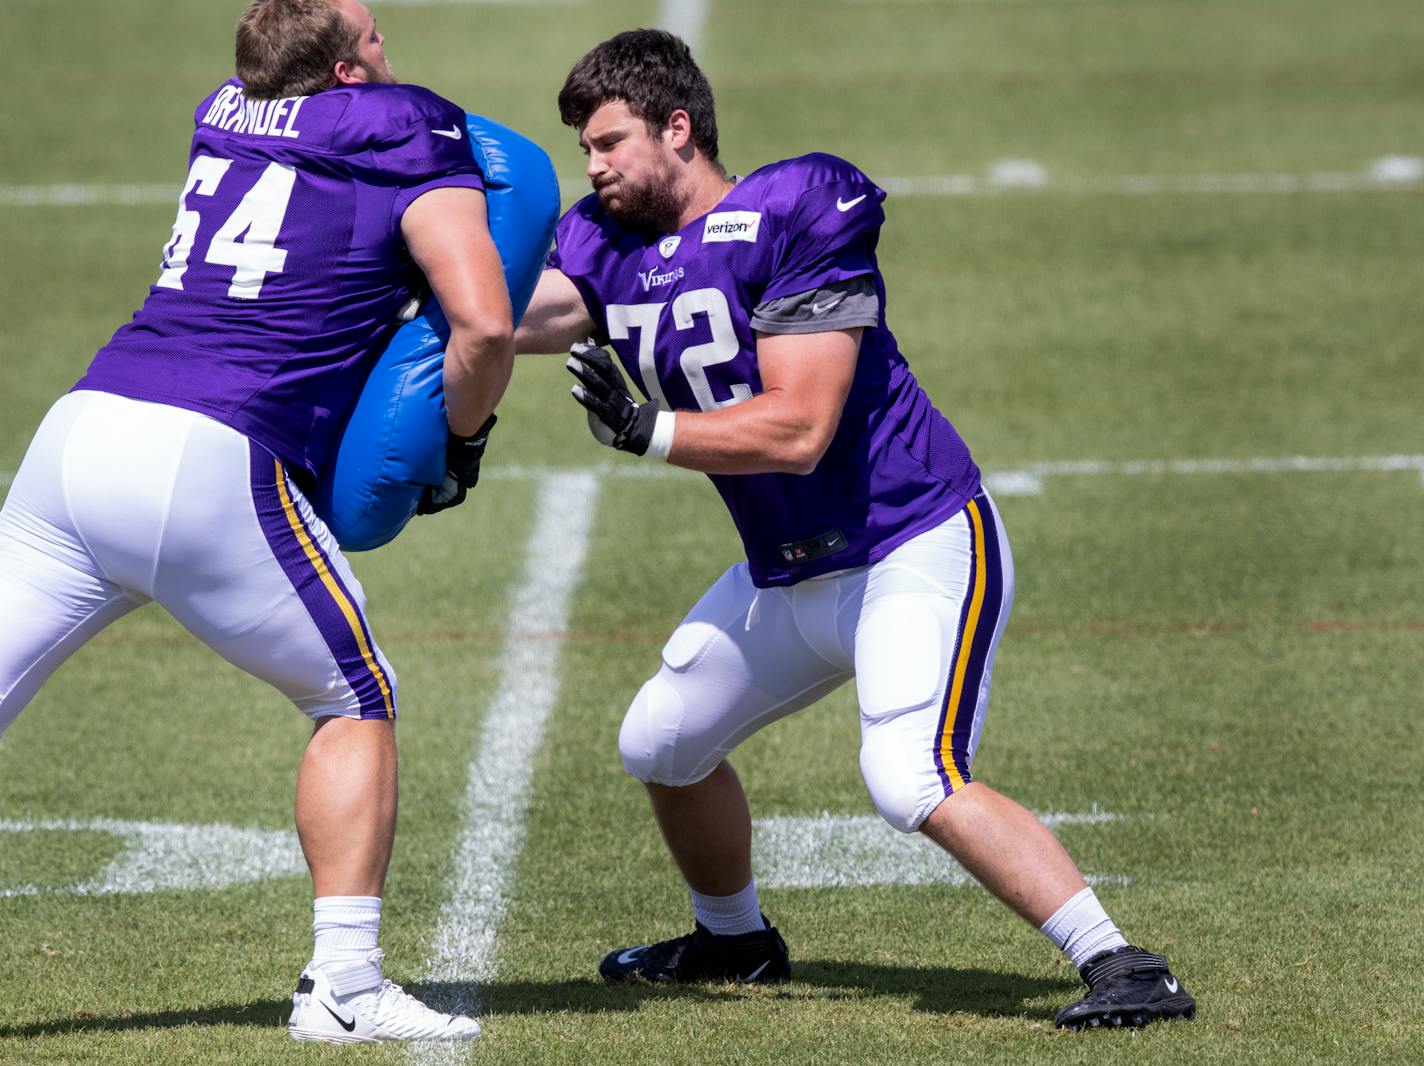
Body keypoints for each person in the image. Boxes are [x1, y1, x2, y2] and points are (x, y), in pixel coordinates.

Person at [514, 29, 1196, 1030]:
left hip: (909, 541)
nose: (594, 165)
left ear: (677, 127)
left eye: (610, 141)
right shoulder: (602, 245)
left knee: (907, 773)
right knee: (659, 740)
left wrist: (649, 428)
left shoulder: (794, 209)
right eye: (583, 149)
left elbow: (797, 429)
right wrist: (404, 289)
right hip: (788, 573)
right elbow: (507, 318)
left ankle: (1124, 963)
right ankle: (735, 940)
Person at [0, 0, 512, 1044]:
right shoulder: (404, 126)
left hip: (80, 435)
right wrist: (458, 439)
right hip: (210, 453)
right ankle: (345, 985)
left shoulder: (221, 109)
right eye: (370, 38)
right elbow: (485, 320)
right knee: (353, 691)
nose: (387, 45)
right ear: (344, 74)